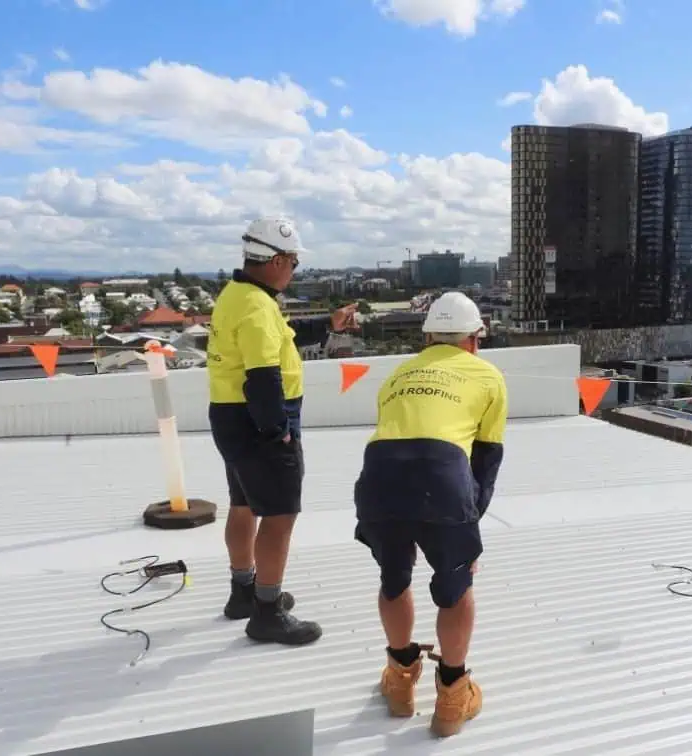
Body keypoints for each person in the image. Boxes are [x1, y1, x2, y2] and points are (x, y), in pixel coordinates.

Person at [353, 291, 508, 737]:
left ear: (427, 338)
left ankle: (400, 685)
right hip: (442, 476)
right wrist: (468, 527)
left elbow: (396, 435)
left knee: (394, 578)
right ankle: (452, 699)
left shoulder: (397, 374)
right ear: (475, 338)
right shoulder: (487, 375)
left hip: (379, 476)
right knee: (456, 589)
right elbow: (485, 461)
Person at [207, 216, 358, 646]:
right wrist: (278, 433)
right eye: (293, 262)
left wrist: (329, 324)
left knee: (242, 504)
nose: (295, 270)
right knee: (279, 515)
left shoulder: (238, 296)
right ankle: (267, 613)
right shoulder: (256, 307)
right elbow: (262, 376)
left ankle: (244, 593)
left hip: (230, 416)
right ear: (274, 260)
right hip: (261, 420)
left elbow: (282, 339)